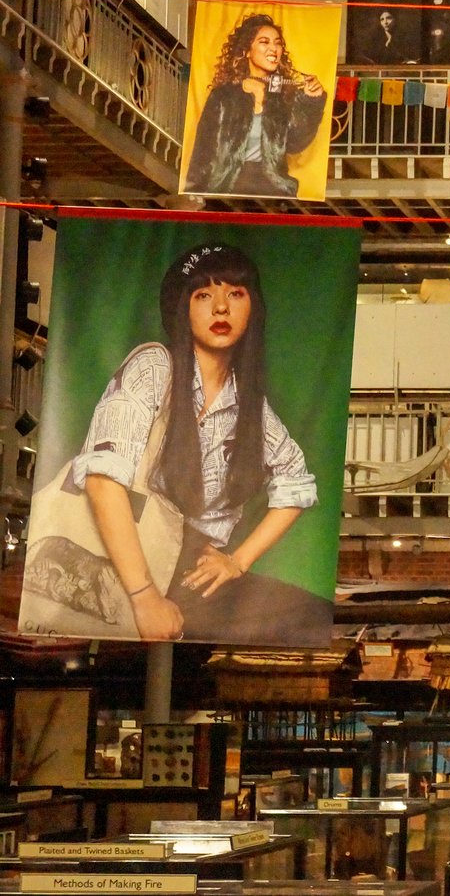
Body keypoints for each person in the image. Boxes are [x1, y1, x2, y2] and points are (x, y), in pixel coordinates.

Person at [73, 243, 327, 644]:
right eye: (204, 295)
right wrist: (144, 597)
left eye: (236, 293)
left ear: (253, 308)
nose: (221, 308)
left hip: (193, 574)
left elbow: (296, 483)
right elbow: (102, 481)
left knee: (315, 616)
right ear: (182, 308)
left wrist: (237, 561)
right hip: (127, 563)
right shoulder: (154, 367)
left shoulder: (248, 405)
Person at [184, 14, 327, 198]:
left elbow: (295, 144)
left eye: (277, 43)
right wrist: (193, 194)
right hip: (226, 189)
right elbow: (203, 151)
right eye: (264, 42)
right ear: (247, 51)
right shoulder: (224, 96)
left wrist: (311, 102)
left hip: (273, 191)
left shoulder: (283, 96)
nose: (273, 49)